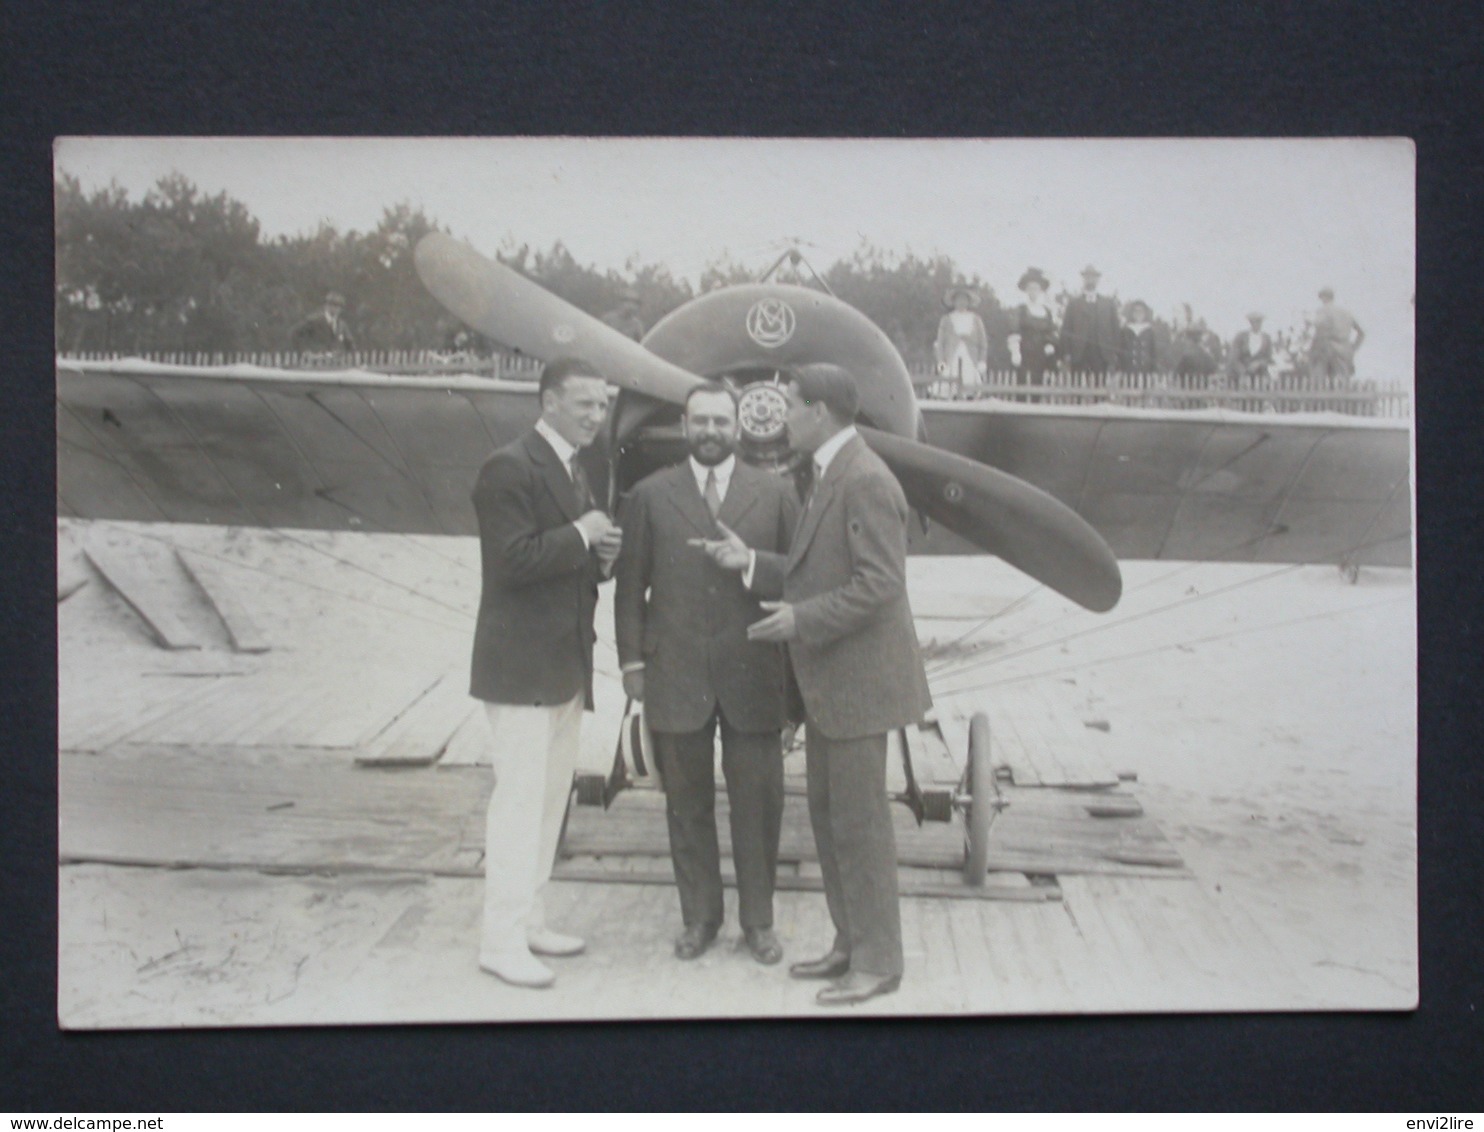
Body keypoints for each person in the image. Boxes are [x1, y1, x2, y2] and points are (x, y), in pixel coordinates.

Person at [695, 363, 932, 1007]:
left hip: (859, 687)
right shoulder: (831, 472)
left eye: (791, 405)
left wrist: (801, 619)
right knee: (830, 821)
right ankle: (850, 943)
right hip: (834, 685)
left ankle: (879, 961)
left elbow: (880, 585)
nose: (775, 415)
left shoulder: (865, 479)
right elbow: (811, 570)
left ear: (821, 411)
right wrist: (752, 564)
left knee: (859, 826)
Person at [614, 383, 799, 966]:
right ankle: (699, 918)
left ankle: (759, 923)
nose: (712, 431)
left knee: (759, 803)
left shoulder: (775, 494)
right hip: (676, 674)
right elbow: (628, 590)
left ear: (738, 427)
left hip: (754, 674)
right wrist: (632, 664)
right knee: (685, 806)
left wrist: (751, 567)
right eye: (701, 421)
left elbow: (797, 577)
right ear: (684, 425)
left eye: (722, 420)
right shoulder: (649, 495)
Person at [469, 356, 623, 989]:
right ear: (550, 402)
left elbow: (568, 560)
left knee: (548, 803)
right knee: (519, 804)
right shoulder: (509, 466)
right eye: (585, 404)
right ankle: (498, 942)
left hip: (562, 665)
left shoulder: (573, 466)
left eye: (602, 405)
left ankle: (529, 921)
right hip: (521, 668)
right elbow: (511, 563)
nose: (597, 415)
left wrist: (602, 557)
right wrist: (585, 536)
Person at [1058, 266, 1121, 375]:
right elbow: (1066, 329)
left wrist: (1114, 352)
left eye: (1093, 277)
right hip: (1078, 353)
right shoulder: (1074, 303)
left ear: (1097, 280)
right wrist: (1067, 352)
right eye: (1087, 277)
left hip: (1101, 354)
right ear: (1083, 279)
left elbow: (1115, 330)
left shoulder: (1108, 304)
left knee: (1099, 386)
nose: (1090, 280)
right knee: (1078, 386)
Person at [1007, 268, 1058, 388]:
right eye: (1030, 288)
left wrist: (1050, 345)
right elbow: (1014, 331)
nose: (1033, 292)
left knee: (1038, 383)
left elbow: (1051, 332)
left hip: (1041, 354)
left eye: (1036, 288)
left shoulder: (1047, 311)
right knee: (1022, 383)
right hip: (1024, 353)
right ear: (1026, 290)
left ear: (1041, 290)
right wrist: (1015, 351)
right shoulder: (1020, 310)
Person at [933, 286, 989, 390]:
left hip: (971, 360)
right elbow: (940, 344)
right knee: (948, 387)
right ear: (953, 301)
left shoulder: (976, 319)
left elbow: (983, 343)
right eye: (958, 299)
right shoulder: (946, 319)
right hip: (951, 360)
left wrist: (982, 361)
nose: (961, 302)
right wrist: (941, 365)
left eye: (964, 299)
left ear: (969, 301)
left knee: (970, 388)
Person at [1308, 287, 1365, 384]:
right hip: (1344, 350)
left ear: (1324, 298)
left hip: (1326, 349)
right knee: (1342, 383)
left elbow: (1319, 330)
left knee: (1317, 382)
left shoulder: (1323, 310)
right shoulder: (1347, 313)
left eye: (1321, 298)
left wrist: (1312, 350)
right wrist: (1353, 348)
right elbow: (1361, 333)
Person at [1230, 312, 1274, 410]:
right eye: (1254, 322)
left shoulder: (1266, 338)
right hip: (1243, 376)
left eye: (1259, 322)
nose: (1257, 324)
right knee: (1244, 402)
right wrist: (1243, 373)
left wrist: (1259, 363)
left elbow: (1269, 358)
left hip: (1260, 376)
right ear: (1250, 323)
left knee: (1260, 402)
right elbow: (1234, 358)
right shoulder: (1241, 337)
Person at [290, 291, 356, 353]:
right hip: (316, 360)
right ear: (326, 306)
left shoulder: (341, 324)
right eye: (333, 305)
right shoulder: (314, 321)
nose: (335, 309)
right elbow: (295, 334)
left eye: (339, 307)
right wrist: (305, 351)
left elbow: (350, 343)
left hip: (335, 361)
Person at [1120, 300, 1158, 374]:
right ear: (1132, 313)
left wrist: (1154, 370)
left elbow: (1153, 352)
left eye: (1141, 311)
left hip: (1146, 369)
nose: (1138, 314)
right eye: (1136, 311)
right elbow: (1121, 350)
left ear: (1145, 313)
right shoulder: (1126, 330)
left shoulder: (1150, 330)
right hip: (1129, 369)